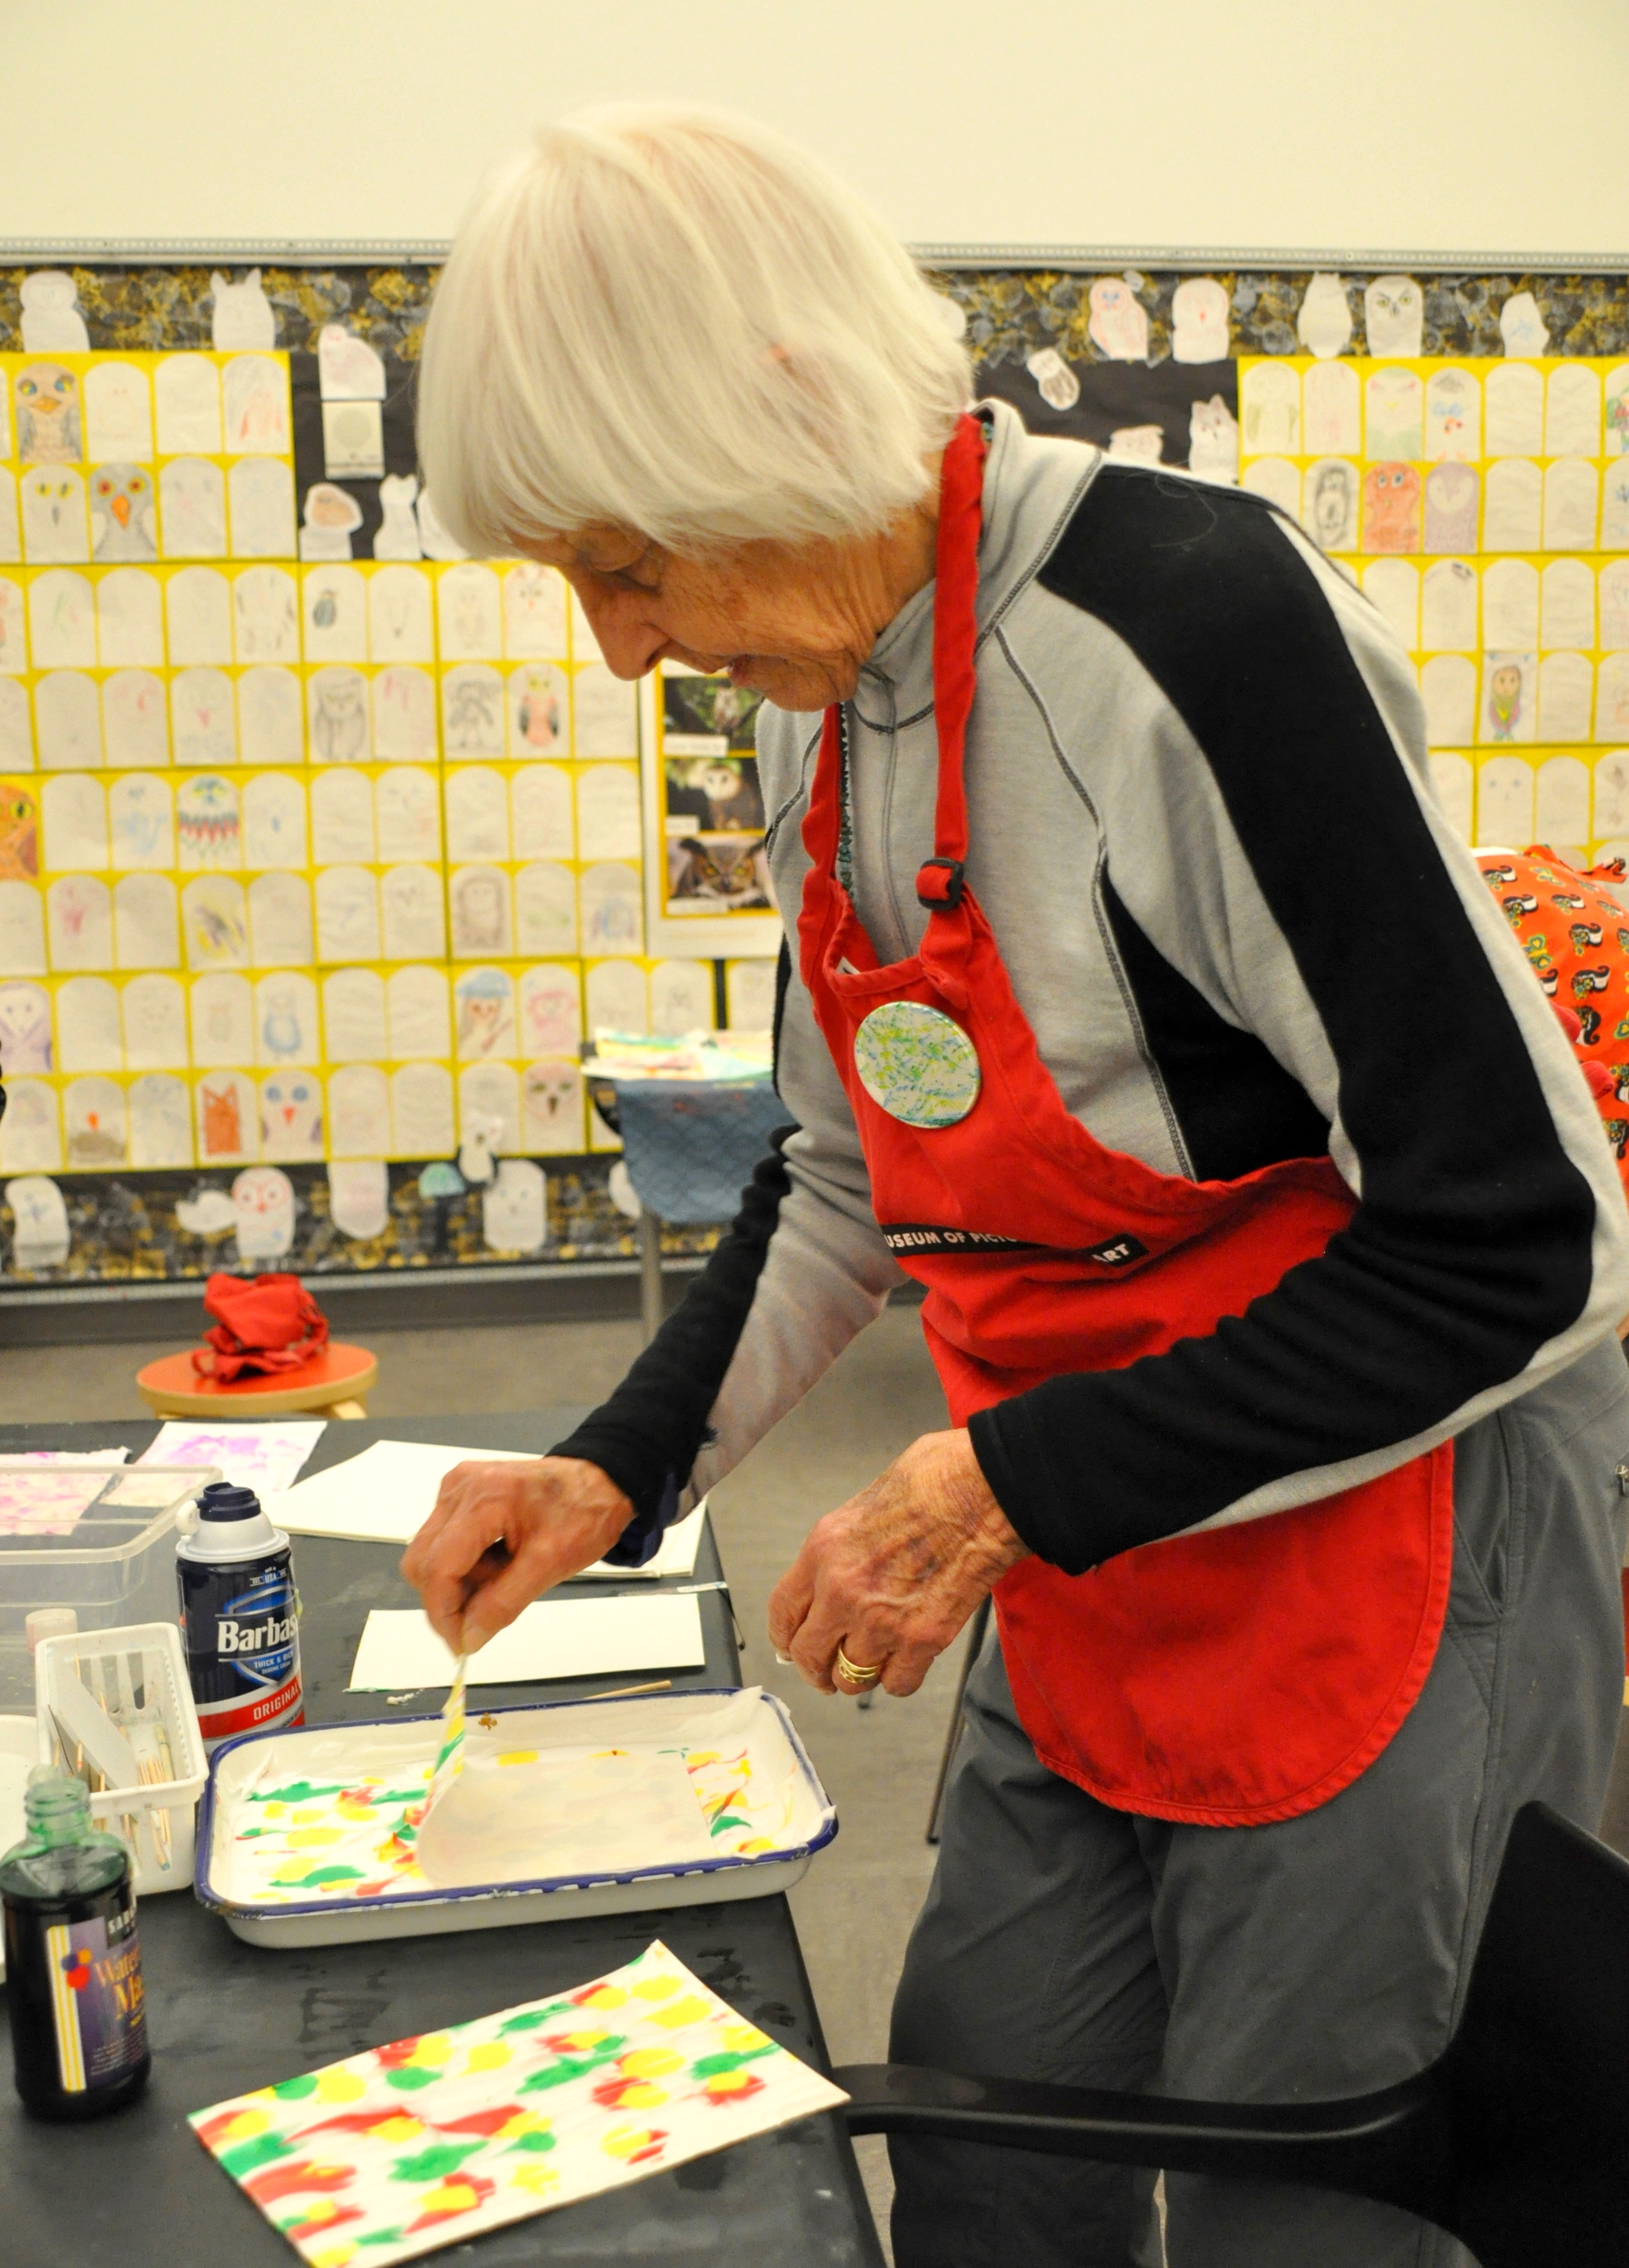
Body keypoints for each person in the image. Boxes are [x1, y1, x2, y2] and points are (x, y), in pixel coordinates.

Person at [406, 106, 1629, 2268]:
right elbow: (846, 1172)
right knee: (988, 2159)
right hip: (1082, 1564)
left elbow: (1525, 1241)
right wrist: (619, 1464)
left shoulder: (1193, 627)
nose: (617, 647)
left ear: (763, 428)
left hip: (1379, 1566)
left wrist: (989, 1490)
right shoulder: (808, 704)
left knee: (1318, 2212)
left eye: (625, 567)